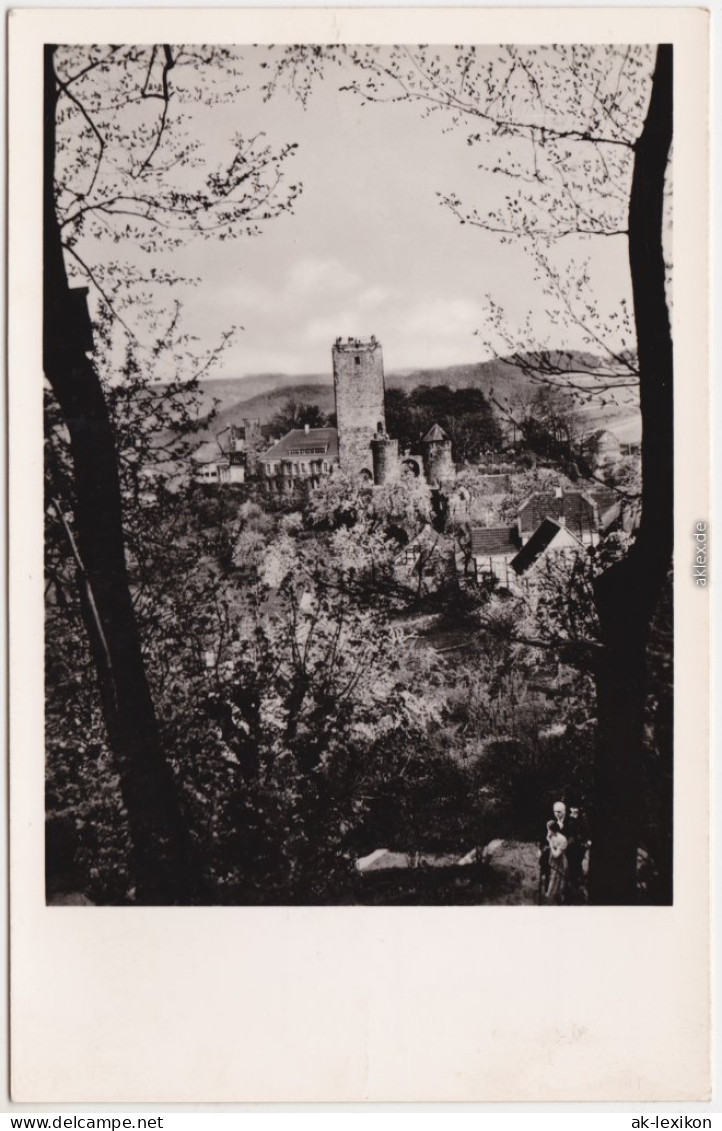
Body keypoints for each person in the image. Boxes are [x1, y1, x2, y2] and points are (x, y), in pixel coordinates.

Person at [538, 801, 567, 894]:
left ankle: (562, 894)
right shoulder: (549, 823)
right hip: (550, 853)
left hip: (564, 853)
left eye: (559, 811)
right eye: (555, 811)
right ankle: (548, 893)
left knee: (561, 877)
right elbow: (543, 838)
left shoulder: (569, 824)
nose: (557, 814)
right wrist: (541, 849)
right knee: (548, 873)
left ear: (564, 811)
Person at [545, 819, 568, 903]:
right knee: (553, 877)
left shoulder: (562, 839)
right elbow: (548, 838)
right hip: (554, 861)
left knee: (559, 881)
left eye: (548, 829)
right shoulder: (551, 835)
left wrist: (550, 845)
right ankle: (550, 895)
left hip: (560, 862)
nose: (548, 831)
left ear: (552, 830)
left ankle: (557, 898)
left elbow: (556, 855)